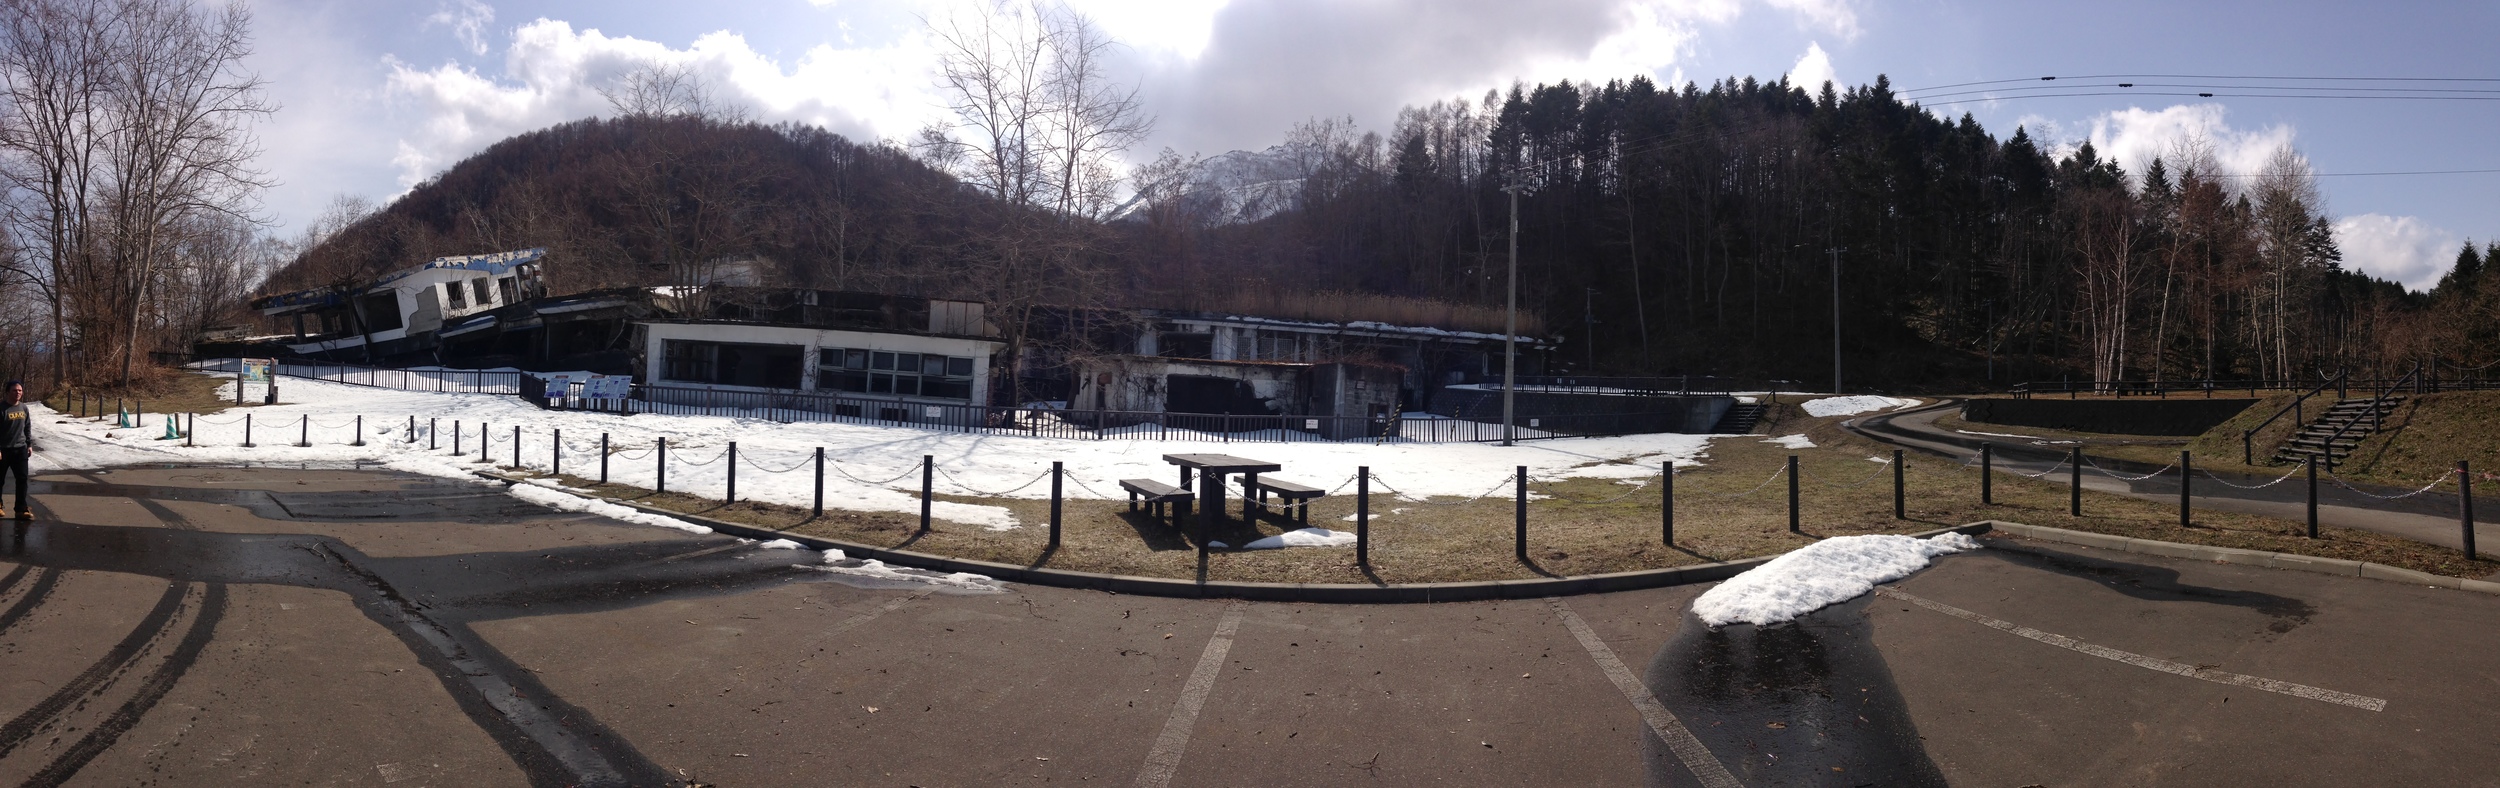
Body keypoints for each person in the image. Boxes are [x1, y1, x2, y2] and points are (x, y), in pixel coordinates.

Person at [1, 381, 31, 520]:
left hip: (20, 449)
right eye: (14, 390)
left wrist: (29, 444)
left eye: (20, 390)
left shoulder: (24, 408)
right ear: (8, 392)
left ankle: (21, 508)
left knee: (22, 479)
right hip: (3, 450)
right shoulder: (2, 408)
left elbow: (27, 427)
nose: (17, 392)